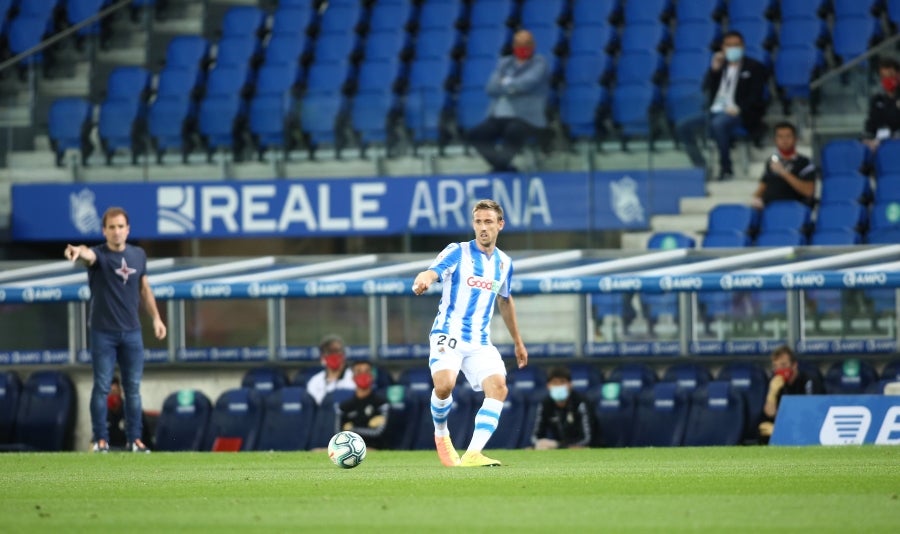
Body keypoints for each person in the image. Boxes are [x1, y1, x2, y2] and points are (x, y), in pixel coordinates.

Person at [412, 198, 528, 467]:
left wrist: (518, 343)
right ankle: (442, 436)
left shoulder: (504, 263)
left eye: (488, 222)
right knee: (444, 386)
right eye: (478, 222)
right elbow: (433, 271)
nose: (483, 227)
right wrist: (423, 280)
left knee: (498, 387)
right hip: (448, 333)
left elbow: (505, 300)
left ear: (500, 225)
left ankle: (473, 453)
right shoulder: (458, 251)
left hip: (479, 341)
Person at [64, 206, 166, 453]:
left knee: (133, 389)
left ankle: (135, 440)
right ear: (104, 230)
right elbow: (87, 255)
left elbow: (144, 288)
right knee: (101, 386)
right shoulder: (99, 255)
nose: (117, 232)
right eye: (111, 227)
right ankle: (100, 440)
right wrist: (78, 251)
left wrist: (156, 318)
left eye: (121, 227)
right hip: (103, 332)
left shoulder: (138, 255)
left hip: (132, 332)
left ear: (128, 229)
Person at [676, 30, 769, 181]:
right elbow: (705, 88)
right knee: (683, 126)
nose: (733, 49)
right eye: (729, 45)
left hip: (740, 112)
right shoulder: (720, 66)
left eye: (736, 45)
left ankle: (726, 168)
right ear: (723, 48)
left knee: (718, 124)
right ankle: (701, 166)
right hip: (715, 110)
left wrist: (739, 109)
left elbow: (756, 96)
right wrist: (714, 70)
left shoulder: (754, 67)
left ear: (743, 46)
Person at [466, 29, 550, 173]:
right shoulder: (504, 63)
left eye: (527, 43)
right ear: (513, 45)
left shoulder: (540, 63)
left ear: (533, 45)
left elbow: (527, 84)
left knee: (513, 130)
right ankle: (503, 167)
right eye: (519, 43)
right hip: (499, 115)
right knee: (475, 134)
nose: (523, 47)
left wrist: (505, 83)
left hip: (526, 117)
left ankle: (500, 168)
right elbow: (491, 88)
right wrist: (512, 86)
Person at [758, 345, 824, 444]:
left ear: (794, 365)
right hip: (785, 428)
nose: (779, 370)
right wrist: (772, 393)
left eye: (783, 365)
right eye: (776, 366)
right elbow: (770, 415)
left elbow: (811, 415)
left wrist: (780, 430)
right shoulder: (775, 381)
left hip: (807, 430)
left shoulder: (809, 380)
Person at [750, 121, 818, 209]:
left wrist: (783, 172)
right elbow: (763, 185)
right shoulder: (771, 161)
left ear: (795, 139)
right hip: (770, 208)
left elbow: (808, 191)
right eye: (780, 137)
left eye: (788, 136)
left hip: (794, 209)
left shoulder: (805, 162)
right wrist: (755, 199)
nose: (784, 140)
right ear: (775, 140)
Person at [531, 366, 593, 450]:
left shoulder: (581, 402)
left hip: (586, 449)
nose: (558, 386)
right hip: (561, 450)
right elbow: (536, 436)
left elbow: (587, 439)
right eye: (554, 383)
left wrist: (558, 445)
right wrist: (540, 444)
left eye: (562, 382)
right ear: (548, 386)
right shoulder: (545, 404)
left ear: (570, 385)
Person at [338, 360, 390, 450]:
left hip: (375, 450)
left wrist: (352, 429)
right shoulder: (345, 406)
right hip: (350, 450)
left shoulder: (381, 403)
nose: (363, 375)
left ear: (372, 376)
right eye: (358, 372)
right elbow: (339, 434)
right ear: (353, 377)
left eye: (367, 371)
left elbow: (380, 433)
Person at [862, 56, 900, 152]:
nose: (887, 79)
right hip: (879, 143)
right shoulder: (877, 99)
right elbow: (871, 123)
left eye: (890, 75)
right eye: (884, 77)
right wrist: (868, 138)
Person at [305, 334, 356, 405]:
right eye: (329, 352)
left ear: (344, 354)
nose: (334, 355)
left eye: (337, 351)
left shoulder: (354, 378)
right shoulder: (315, 381)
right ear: (322, 356)